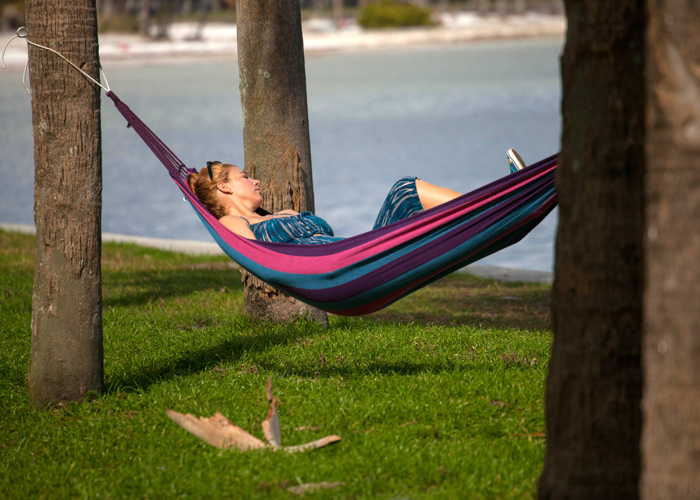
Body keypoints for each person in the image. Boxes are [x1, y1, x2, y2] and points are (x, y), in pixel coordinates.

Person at [187, 152, 526, 244]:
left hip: (358, 252)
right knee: (404, 190)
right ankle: (499, 202)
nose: (256, 179)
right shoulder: (233, 222)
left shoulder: (283, 212)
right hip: (346, 264)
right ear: (226, 188)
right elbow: (255, 251)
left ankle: (499, 206)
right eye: (245, 176)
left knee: (408, 193)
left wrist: (281, 217)